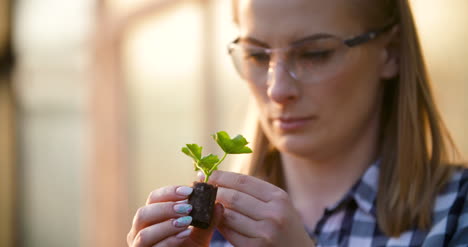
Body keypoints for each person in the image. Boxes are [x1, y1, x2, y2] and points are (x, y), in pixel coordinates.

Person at [127, 0, 468, 246]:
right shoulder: (207, 228)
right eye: (257, 55)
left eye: (315, 53)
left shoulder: (456, 212)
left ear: (390, 52)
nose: (278, 90)